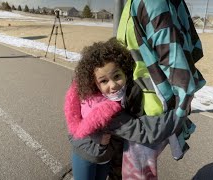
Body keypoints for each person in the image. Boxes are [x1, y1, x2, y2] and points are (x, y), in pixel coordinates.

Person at [64, 38, 186, 180]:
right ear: (94, 83)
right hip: (85, 156)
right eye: (104, 81)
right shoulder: (106, 111)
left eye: (116, 76)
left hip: (103, 155)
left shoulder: (94, 94)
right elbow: (142, 131)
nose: (113, 85)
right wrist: (178, 115)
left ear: (125, 72)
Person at [115, 0, 206, 179]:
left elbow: (174, 60)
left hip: (150, 110)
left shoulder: (151, 2)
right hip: (139, 101)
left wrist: (177, 115)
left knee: (137, 174)